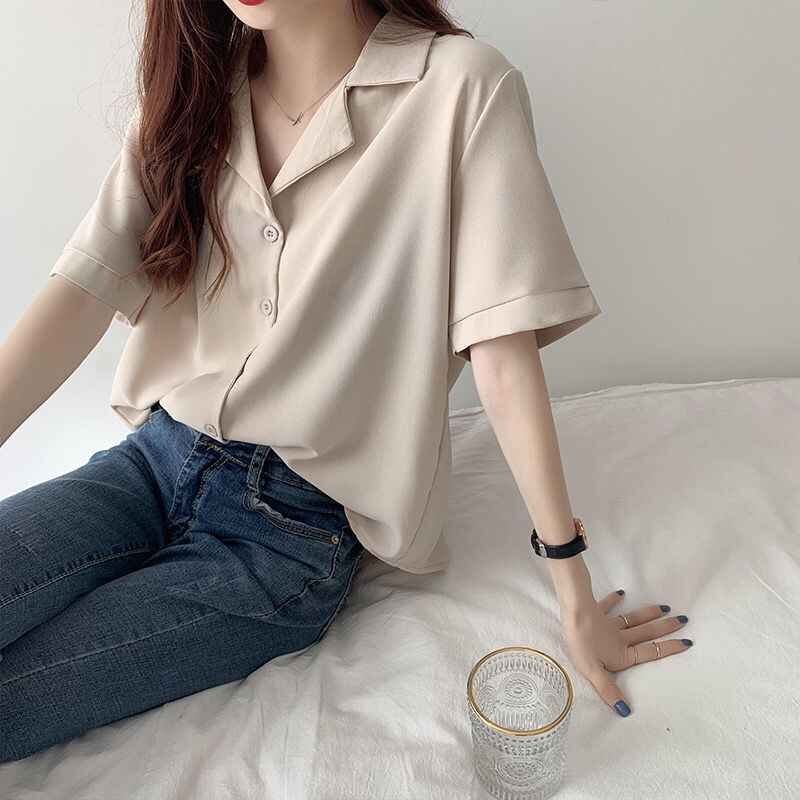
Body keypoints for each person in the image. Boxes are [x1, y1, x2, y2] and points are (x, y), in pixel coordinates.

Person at [0, 0, 692, 763]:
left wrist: (570, 583)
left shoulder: (459, 87)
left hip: (284, 538)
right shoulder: (194, 88)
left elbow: (502, 349)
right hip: (152, 462)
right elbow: (81, 290)